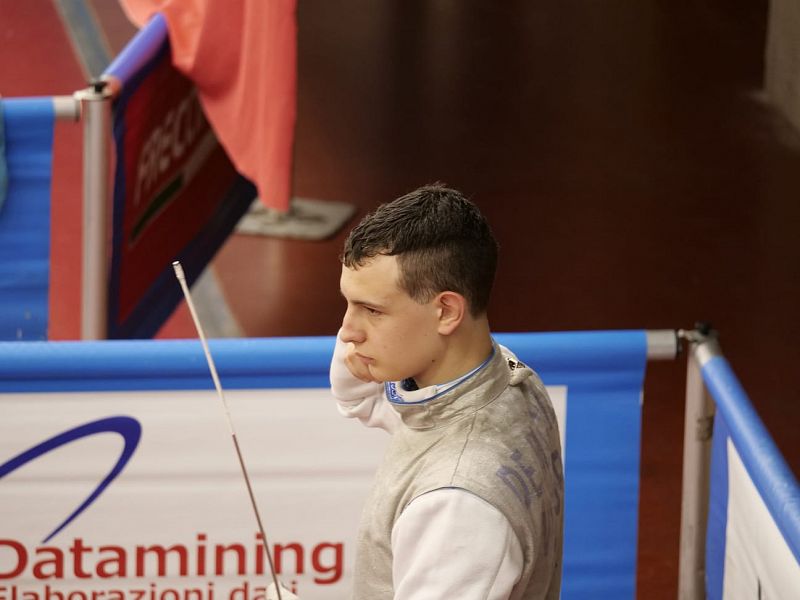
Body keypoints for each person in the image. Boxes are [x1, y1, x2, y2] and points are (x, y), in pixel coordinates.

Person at [329, 184, 564, 599]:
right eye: (348, 303)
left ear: (446, 311)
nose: (347, 332)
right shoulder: (507, 376)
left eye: (372, 310)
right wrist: (368, 317)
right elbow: (358, 398)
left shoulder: (456, 508)